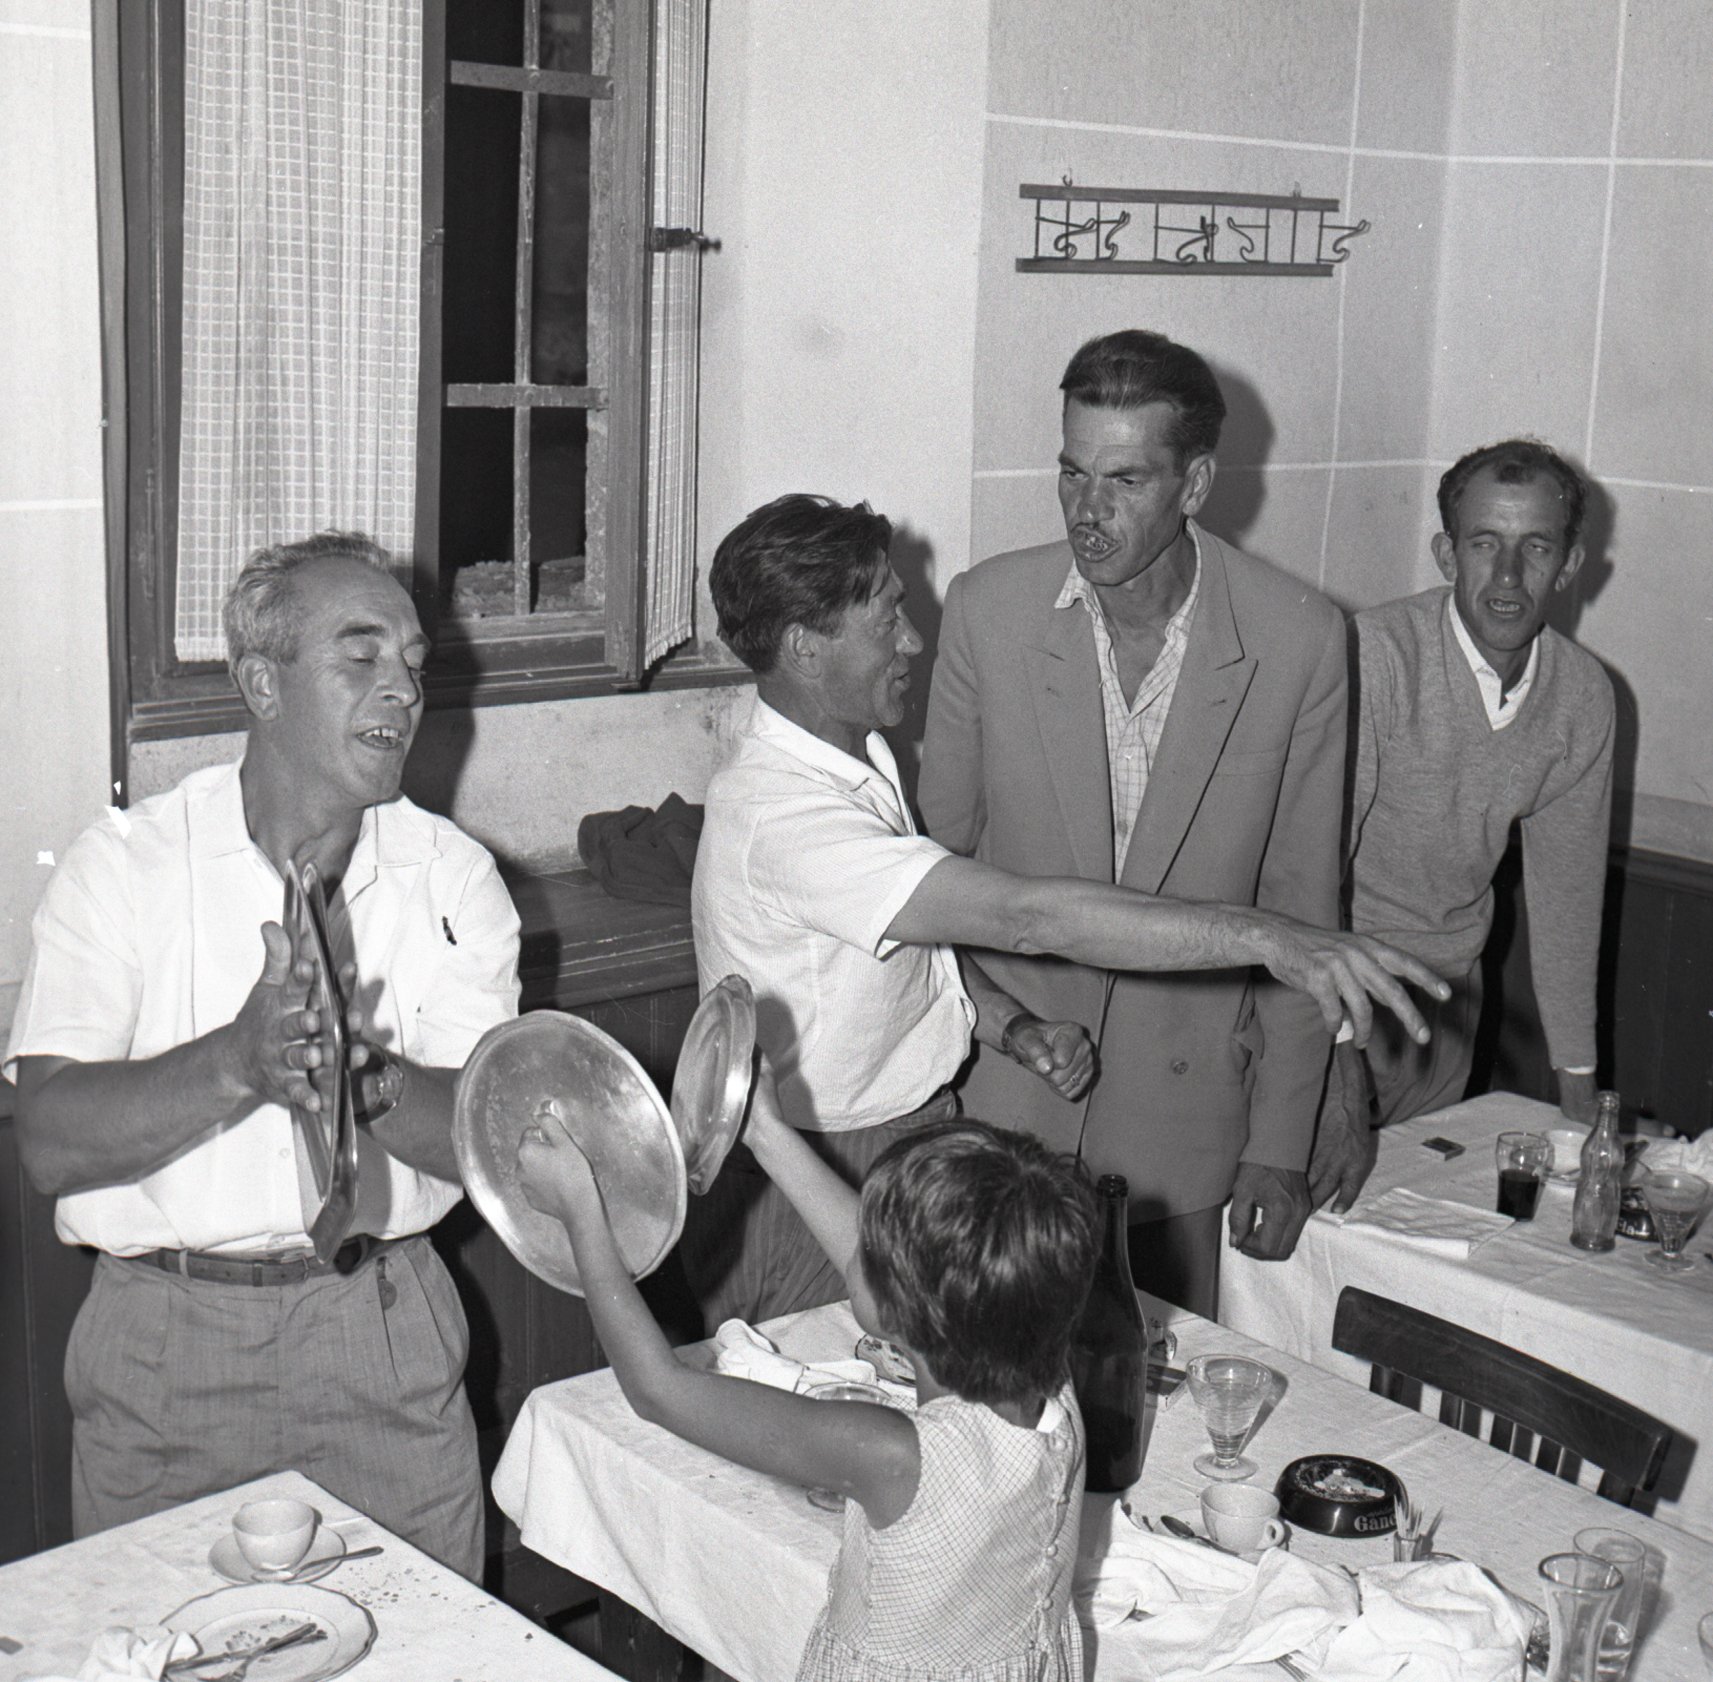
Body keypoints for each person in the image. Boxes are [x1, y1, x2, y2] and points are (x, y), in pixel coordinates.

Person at [688, 491, 1446, 1327]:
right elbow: (1026, 918)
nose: (912, 640)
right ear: (805, 647)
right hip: (813, 1169)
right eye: (886, 619)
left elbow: (903, 962)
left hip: (901, 1141)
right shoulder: (782, 817)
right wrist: (1271, 937)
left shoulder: (855, 754)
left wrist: (1011, 1027)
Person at [4, 532, 520, 1577]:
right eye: (360, 656)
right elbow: (49, 1142)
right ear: (261, 683)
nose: (402, 688)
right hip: (167, 1349)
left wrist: (356, 1074)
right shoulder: (126, 867)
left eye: (413, 663)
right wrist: (239, 1062)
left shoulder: (455, 879)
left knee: (435, 1643)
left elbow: (488, 1140)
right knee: (164, 1642)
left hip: (383, 1330)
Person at [920, 329, 1351, 1315]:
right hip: (1001, 1110)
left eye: (1124, 480)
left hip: (1182, 1133)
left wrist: (1280, 1142)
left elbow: (1301, 912)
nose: (1087, 510)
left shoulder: (1298, 637)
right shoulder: (987, 610)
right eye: (1072, 473)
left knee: (1150, 1398)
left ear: (1194, 484)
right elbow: (934, 875)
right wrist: (1007, 1030)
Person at [516, 1075, 1100, 1682]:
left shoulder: (894, 1454)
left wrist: (581, 1212)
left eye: (870, 1252)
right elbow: (895, 1275)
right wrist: (766, 1133)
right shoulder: (1050, 1374)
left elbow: (657, 1389)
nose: (855, 1251)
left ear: (898, 1313)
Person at [1308, 440, 1614, 1211]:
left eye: (1534, 548)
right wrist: (1336, 1069)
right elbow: (1308, 877)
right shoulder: (1375, 656)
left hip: (1444, 1010)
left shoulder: (1582, 696)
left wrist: (1580, 1107)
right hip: (1323, 1002)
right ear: (1446, 554)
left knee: (1406, 1229)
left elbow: (1568, 899)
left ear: (1569, 565)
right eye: (1484, 544)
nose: (1507, 576)